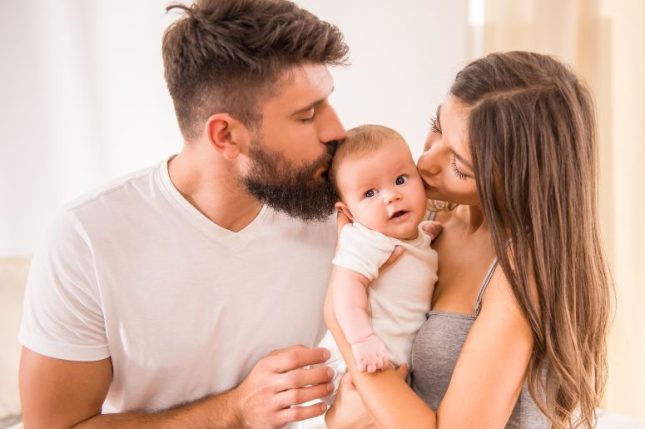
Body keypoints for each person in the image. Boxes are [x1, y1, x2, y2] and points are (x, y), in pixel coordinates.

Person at [18, 0, 349, 427]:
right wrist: (234, 410)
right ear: (225, 135)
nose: (336, 130)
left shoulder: (334, 206)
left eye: (327, 102)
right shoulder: (87, 237)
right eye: (307, 115)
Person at [324, 52, 611, 429]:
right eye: (437, 127)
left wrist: (343, 325)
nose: (426, 161)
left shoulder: (523, 271)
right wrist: (340, 416)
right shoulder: (424, 220)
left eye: (459, 166)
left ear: (518, 181)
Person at [321, 124, 440, 379]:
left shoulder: (403, 236)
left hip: (392, 365)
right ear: (349, 212)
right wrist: (362, 339)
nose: (391, 196)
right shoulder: (365, 240)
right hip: (361, 360)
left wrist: (424, 234)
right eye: (370, 193)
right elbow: (345, 288)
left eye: (400, 180)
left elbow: (407, 253)